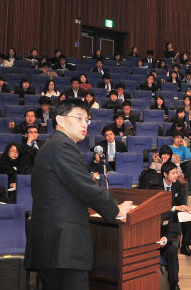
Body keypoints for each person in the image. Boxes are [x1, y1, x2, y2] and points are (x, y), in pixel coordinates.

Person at [25, 99, 132, 290]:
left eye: (87, 120)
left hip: (55, 246)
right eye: (79, 117)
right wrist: (115, 210)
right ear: (61, 120)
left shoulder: (54, 145)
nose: (85, 124)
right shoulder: (61, 146)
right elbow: (85, 187)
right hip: (62, 246)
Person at [170, 130, 191, 196]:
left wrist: (185, 145)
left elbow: (189, 156)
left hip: (181, 165)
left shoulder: (183, 148)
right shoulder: (169, 147)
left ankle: (190, 189)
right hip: (172, 165)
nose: (178, 139)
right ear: (174, 139)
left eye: (180, 138)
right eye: (177, 137)